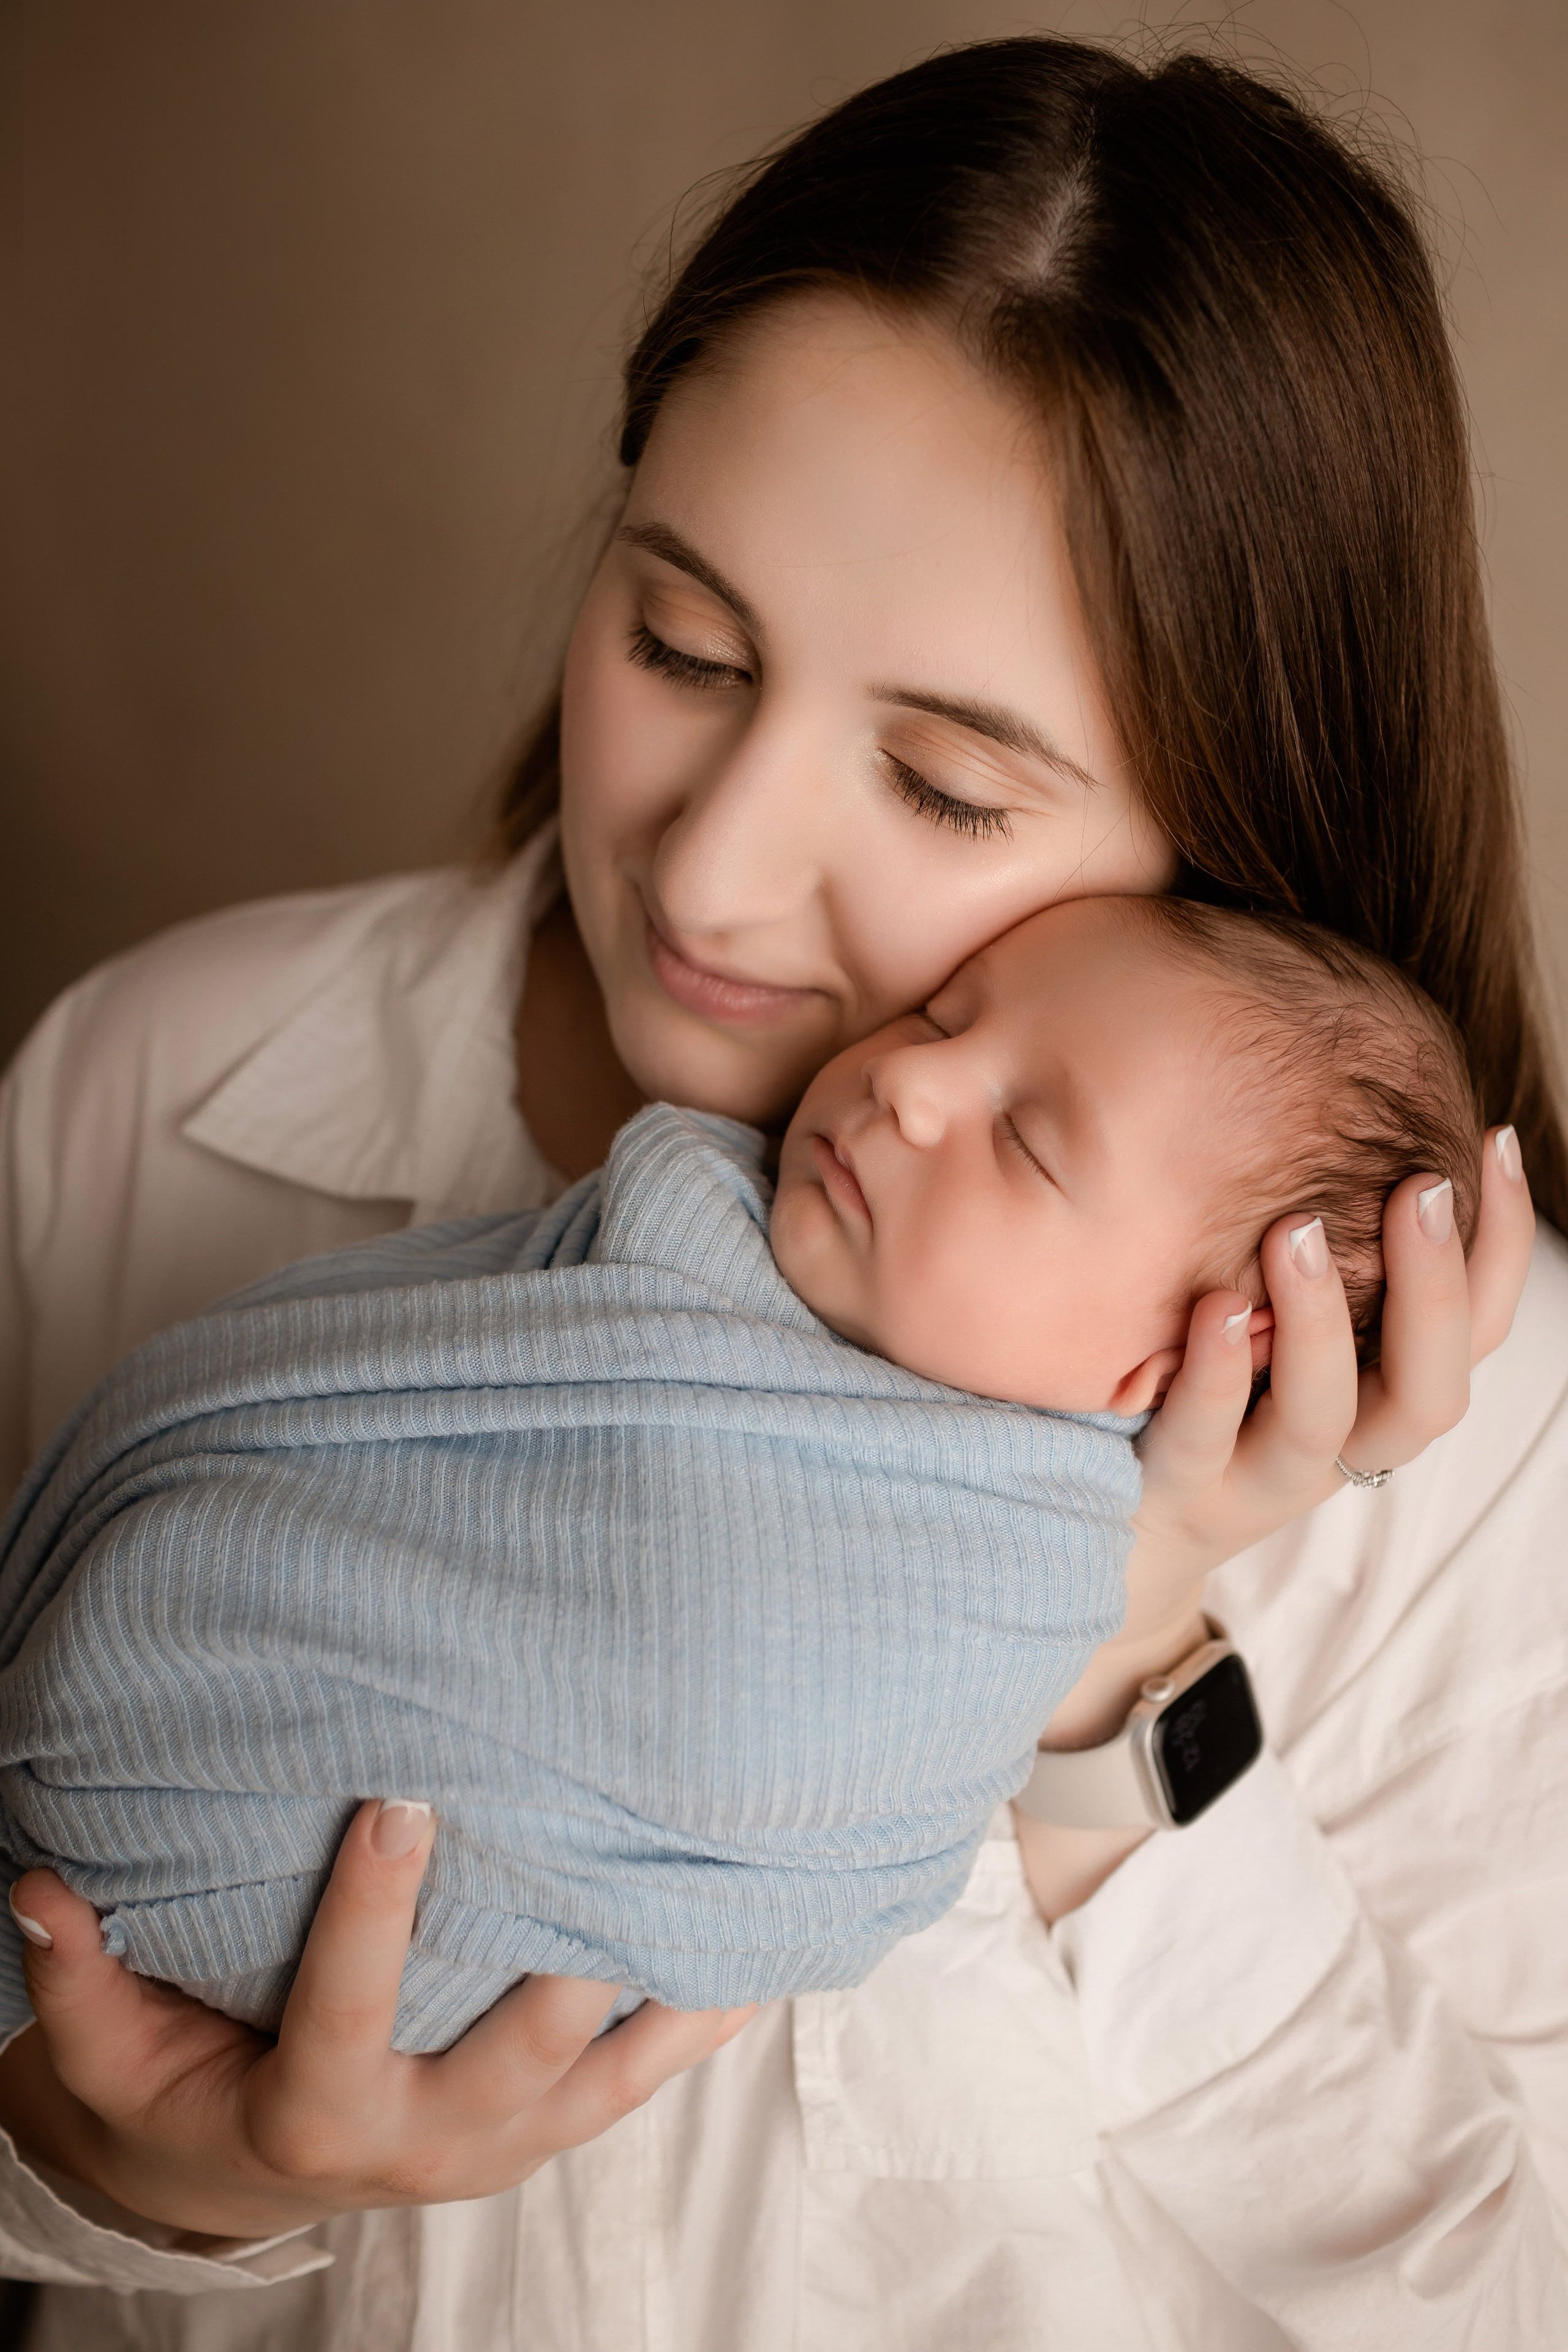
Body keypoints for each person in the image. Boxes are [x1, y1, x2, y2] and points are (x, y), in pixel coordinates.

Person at [0, 32, 1562, 2350]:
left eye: (943, 786)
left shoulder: (1457, 1430)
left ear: (1234, 822)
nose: (715, 871)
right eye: (682, 645)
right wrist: (130, 2174)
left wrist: (1115, 1663)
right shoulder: (156, 1095)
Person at [0, 892, 1481, 2054]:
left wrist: (1135, 1613)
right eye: (942, 1011)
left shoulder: (1006, 1578)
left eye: (1025, 1144)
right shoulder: (677, 1218)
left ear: (1169, 1363)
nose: (909, 1081)